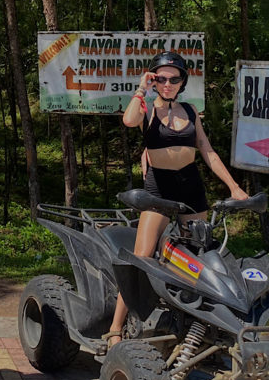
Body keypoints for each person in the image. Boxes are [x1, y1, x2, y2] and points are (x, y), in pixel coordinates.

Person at [105, 51, 248, 347]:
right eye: (162, 78)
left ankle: (195, 323)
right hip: (159, 189)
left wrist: (234, 187)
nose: (168, 83)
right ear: (155, 80)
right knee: (141, 257)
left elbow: (207, 151)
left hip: (191, 188)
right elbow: (129, 121)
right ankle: (116, 327)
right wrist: (142, 87)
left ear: (182, 81)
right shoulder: (147, 108)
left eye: (174, 78)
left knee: (198, 258)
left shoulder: (190, 111)